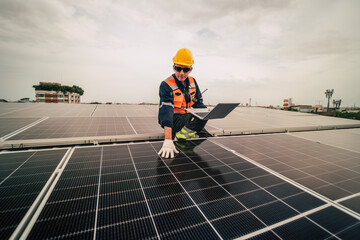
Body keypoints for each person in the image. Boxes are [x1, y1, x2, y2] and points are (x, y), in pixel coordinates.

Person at [158, 48, 210, 158]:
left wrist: (206, 112)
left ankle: (183, 142)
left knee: (205, 134)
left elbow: (199, 103)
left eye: (185, 70)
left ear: (190, 69)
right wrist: (167, 139)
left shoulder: (193, 81)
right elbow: (166, 112)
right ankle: (180, 136)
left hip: (187, 118)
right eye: (178, 69)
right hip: (174, 119)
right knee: (189, 121)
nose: (181, 73)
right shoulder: (166, 85)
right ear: (173, 67)